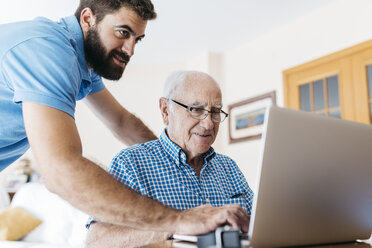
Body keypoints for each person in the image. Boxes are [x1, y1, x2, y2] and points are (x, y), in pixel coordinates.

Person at [0, 0, 250, 237]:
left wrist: (172, 157)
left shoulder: (82, 62)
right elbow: (60, 171)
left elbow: (120, 121)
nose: (130, 50)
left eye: (137, 39)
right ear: (88, 18)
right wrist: (179, 220)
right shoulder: (48, 50)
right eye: (122, 32)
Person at [86, 70, 254, 247]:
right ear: (166, 110)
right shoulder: (130, 164)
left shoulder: (228, 167)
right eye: (196, 109)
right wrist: (177, 225)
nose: (209, 123)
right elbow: (96, 241)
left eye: (215, 111)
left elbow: (259, 224)